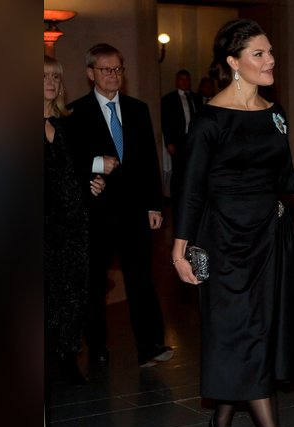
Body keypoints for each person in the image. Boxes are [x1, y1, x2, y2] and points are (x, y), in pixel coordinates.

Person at [171, 18, 294, 427]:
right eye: (258, 54)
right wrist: (181, 247)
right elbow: (189, 188)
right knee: (242, 337)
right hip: (224, 245)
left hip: (269, 242)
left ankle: (221, 418)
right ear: (233, 63)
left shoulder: (275, 114)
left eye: (270, 52)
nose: (270, 60)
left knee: (255, 339)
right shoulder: (210, 119)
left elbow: (281, 178)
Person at [66, 43, 174, 368]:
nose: (113, 75)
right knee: (95, 282)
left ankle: (150, 346)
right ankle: (97, 346)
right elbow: (69, 162)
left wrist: (155, 205)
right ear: (90, 74)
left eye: (118, 69)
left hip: (134, 211)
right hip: (96, 212)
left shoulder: (137, 109)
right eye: (106, 69)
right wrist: (94, 168)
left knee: (141, 277)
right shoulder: (75, 113)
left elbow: (149, 162)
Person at [44, 54, 105, 385]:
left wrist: (96, 181)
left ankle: (68, 356)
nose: (51, 83)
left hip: (73, 219)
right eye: (43, 77)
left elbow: (83, 167)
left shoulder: (71, 122)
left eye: (55, 77)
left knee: (72, 289)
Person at [161, 69, 198, 202]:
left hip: (194, 140)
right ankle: (177, 199)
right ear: (177, 81)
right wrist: (169, 142)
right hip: (178, 141)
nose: (184, 82)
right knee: (178, 172)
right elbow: (165, 122)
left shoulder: (196, 97)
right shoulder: (169, 99)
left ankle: (192, 197)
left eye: (187, 79)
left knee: (194, 170)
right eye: (181, 79)